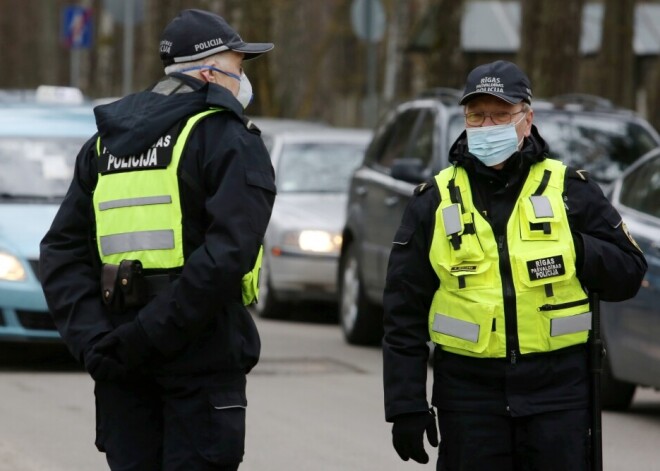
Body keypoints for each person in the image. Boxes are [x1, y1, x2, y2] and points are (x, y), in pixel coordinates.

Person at [39, 9, 276, 471]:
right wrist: (144, 338)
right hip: (198, 363)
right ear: (209, 72)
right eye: (239, 66)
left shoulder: (105, 144)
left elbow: (60, 252)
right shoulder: (227, 139)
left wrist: (95, 342)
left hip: (120, 362)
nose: (243, 80)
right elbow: (227, 256)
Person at [382, 60, 647, 470]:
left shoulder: (570, 191)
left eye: (501, 114)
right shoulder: (435, 200)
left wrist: (575, 248)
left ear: (527, 118)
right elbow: (403, 312)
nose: (488, 126)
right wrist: (405, 405)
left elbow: (629, 273)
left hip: (558, 397)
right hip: (469, 399)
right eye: (477, 115)